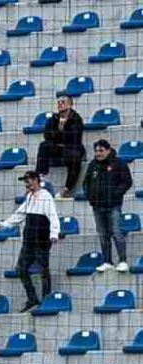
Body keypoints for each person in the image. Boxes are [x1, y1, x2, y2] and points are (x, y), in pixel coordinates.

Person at [0, 170, 61, 313]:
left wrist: (54, 233)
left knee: (44, 270)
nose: (26, 184)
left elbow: (53, 216)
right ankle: (32, 298)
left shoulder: (46, 196)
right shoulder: (29, 197)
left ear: (36, 180)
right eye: (25, 181)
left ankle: (46, 299)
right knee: (21, 269)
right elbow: (19, 215)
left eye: (28, 180)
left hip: (41, 240)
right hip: (28, 240)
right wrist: (4, 224)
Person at [83, 139, 134, 272]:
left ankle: (122, 261)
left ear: (108, 150)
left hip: (113, 205)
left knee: (116, 232)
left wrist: (116, 194)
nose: (98, 153)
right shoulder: (92, 165)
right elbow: (86, 183)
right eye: (96, 151)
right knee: (103, 235)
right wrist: (90, 197)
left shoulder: (119, 163)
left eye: (101, 150)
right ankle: (107, 261)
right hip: (97, 206)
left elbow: (127, 181)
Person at [37, 96, 85, 199]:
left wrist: (58, 134)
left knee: (75, 157)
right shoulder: (53, 118)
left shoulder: (76, 119)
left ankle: (67, 189)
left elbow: (73, 138)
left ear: (70, 104)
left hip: (72, 148)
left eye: (63, 102)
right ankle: (40, 176)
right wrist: (61, 134)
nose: (60, 104)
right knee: (44, 146)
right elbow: (47, 135)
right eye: (58, 102)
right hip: (58, 147)